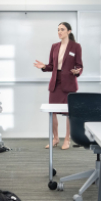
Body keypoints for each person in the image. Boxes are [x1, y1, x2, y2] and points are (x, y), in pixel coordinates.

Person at [34, 22, 83, 150]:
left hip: (69, 83)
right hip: (56, 81)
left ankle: (67, 139)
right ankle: (55, 138)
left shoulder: (75, 47)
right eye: (58, 30)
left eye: (62, 29)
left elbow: (79, 65)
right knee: (53, 112)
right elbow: (51, 66)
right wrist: (44, 66)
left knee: (68, 113)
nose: (59, 32)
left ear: (69, 31)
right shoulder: (55, 46)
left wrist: (78, 70)